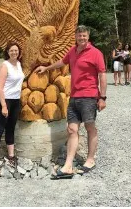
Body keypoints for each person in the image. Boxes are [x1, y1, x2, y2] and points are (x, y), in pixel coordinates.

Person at [34, 25, 107, 178]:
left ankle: (90, 159)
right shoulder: (73, 51)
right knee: (72, 130)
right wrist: (46, 68)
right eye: (79, 36)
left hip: (89, 96)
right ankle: (68, 166)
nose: (82, 38)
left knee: (90, 128)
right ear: (75, 36)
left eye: (84, 36)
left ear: (88, 37)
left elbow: (102, 75)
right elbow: (62, 62)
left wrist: (102, 97)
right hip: (74, 97)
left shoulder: (96, 53)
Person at [0, 42, 25, 176]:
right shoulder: (6, 65)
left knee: (11, 128)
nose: (14, 53)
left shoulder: (19, 64)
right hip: (3, 100)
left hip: (15, 100)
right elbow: (0, 86)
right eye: (11, 51)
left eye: (16, 50)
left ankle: (11, 157)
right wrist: (4, 106)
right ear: (7, 52)